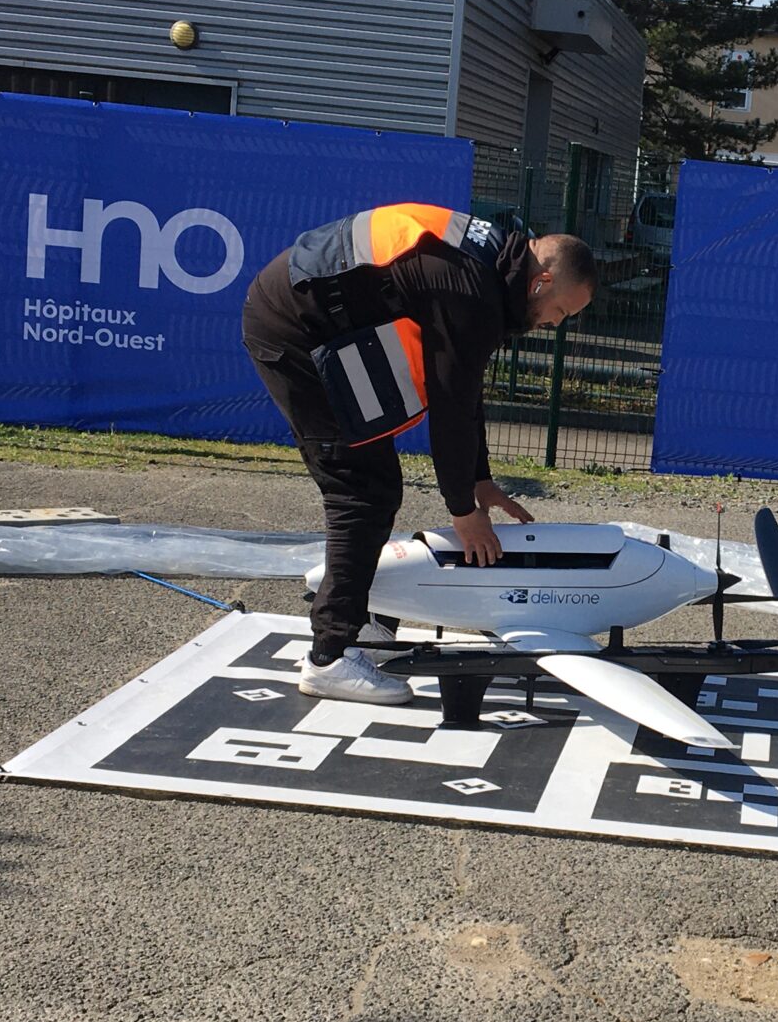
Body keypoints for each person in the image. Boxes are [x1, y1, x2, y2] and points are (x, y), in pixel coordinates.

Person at [242, 204, 597, 706]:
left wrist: (479, 479)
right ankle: (329, 658)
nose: (554, 324)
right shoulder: (474, 291)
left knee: (373, 483)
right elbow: (450, 409)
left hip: (320, 317)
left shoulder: (494, 265)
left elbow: (464, 387)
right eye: (560, 312)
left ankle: (351, 629)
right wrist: (463, 512)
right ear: (542, 282)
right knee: (361, 491)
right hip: (293, 327)